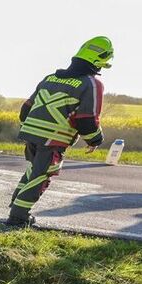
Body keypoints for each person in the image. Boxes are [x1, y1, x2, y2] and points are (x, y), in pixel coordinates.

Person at [7, 36, 113, 227]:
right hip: (53, 139)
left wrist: (31, 128)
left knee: (33, 172)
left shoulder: (50, 78)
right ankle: (18, 217)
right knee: (41, 176)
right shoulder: (91, 84)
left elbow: (26, 109)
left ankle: (16, 206)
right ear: (101, 61)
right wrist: (95, 140)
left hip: (30, 134)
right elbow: (87, 119)